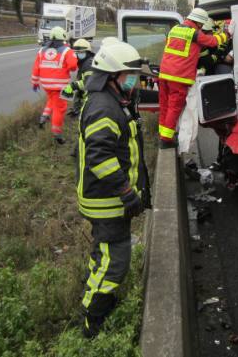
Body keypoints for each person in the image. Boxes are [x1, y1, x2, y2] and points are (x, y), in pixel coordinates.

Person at [75, 38, 147, 338]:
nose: (135, 81)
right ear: (112, 77)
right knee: (114, 262)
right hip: (107, 202)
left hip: (109, 200)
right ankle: (93, 319)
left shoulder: (114, 101)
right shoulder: (104, 108)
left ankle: (99, 299)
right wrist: (126, 192)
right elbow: (99, 157)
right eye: (130, 75)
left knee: (105, 255)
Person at [158, 7, 230, 148]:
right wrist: (227, 34)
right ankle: (166, 140)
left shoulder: (174, 29)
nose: (202, 27)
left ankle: (163, 134)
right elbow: (213, 42)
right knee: (174, 107)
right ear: (198, 23)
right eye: (202, 25)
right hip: (179, 77)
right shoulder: (193, 33)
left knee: (164, 105)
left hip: (164, 73)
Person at [31, 26, 78, 144]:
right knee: (60, 108)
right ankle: (57, 134)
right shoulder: (67, 51)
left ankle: (43, 118)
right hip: (59, 85)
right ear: (63, 37)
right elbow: (73, 66)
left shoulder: (42, 50)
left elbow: (36, 68)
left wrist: (35, 82)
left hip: (46, 84)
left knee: (51, 100)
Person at [63, 38, 96, 117]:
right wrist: (77, 108)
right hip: (88, 104)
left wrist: (73, 85)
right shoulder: (84, 64)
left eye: (81, 53)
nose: (77, 55)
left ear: (88, 52)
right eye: (76, 53)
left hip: (92, 104)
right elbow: (81, 92)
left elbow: (88, 83)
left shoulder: (89, 64)